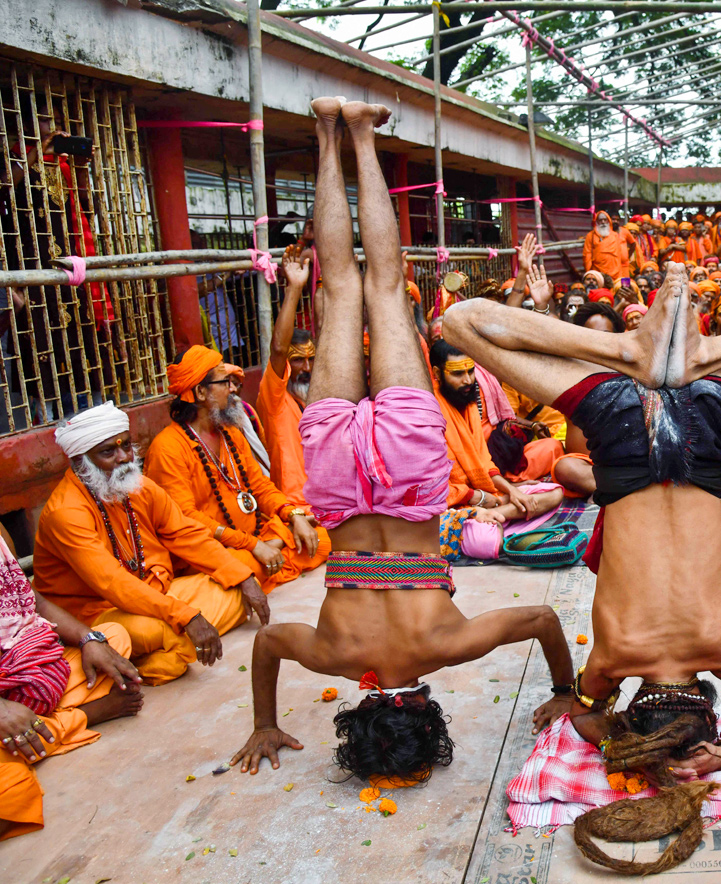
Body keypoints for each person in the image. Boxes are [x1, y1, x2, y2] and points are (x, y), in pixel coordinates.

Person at [232, 98, 576, 782]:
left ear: (425, 711)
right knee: (344, 292)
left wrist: (566, 691)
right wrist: (264, 721)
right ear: (360, 716)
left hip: (410, 480)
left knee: (385, 290)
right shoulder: (333, 653)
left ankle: (358, 130)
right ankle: (330, 131)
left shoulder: (444, 646)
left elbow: (541, 620)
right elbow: (270, 643)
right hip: (339, 486)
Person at [443, 248, 721, 792]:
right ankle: (632, 351)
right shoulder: (614, 660)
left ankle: (688, 355)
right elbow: (585, 715)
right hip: (620, 435)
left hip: (706, 429)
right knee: (462, 322)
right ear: (636, 705)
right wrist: (619, 744)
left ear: (707, 704)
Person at [34, 403, 264, 684]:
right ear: (82, 460)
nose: (123, 458)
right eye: (108, 451)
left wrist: (242, 577)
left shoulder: (137, 486)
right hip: (98, 613)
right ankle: (149, 657)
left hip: (151, 592)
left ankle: (169, 646)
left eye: (126, 446)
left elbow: (185, 533)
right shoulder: (66, 513)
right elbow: (113, 583)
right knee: (167, 633)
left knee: (237, 583)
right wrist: (185, 615)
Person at [144, 346, 330, 589]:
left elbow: (260, 485)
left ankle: (271, 550)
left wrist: (293, 516)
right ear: (201, 392)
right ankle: (267, 554)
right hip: (214, 549)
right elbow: (187, 519)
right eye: (225, 382)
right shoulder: (167, 448)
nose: (233, 389)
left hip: (254, 535)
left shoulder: (229, 432)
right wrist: (252, 545)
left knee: (322, 537)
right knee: (244, 564)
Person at [0, 532, 142, 840]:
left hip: (32, 664)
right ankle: (85, 716)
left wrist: (88, 639)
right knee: (13, 791)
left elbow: (32, 601)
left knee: (112, 636)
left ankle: (34, 728)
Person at [431, 338, 565, 515]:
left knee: (554, 494)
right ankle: (493, 515)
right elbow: (433, 486)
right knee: (484, 539)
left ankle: (496, 514)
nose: (468, 380)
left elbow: (483, 460)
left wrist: (511, 490)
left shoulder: (468, 403)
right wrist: (476, 496)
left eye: (471, 372)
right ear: (437, 373)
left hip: (487, 493)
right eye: (457, 374)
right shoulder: (429, 410)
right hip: (454, 502)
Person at [257, 253, 314, 507]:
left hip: (326, 503)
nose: (307, 367)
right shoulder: (274, 399)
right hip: (295, 508)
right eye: (298, 360)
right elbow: (279, 349)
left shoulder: (311, 397)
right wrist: (295, 288)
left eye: (311, 358)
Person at [583, 210, 629, 280]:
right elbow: (587, 254)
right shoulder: (590, 236)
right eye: (600, 220)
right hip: (598, 270)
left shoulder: (615, 235)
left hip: (615, 270)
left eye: (605, 220)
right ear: (596, 222)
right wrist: (589, 271)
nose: (603, 222)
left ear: (608, 221)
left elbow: (618, 254)